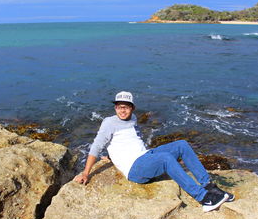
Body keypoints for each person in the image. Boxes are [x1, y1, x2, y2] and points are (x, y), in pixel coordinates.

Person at [74, 91, 234, 212]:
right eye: (119, 107)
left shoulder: (134, 118)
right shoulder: (109, 123)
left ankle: (208, 186)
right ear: (115, 107)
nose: (122, 110)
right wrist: (86, 173)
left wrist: (111, 155)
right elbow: (96, 146)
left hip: (146, 156)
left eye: (126, 107)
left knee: (182, 145)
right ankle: (203, 198)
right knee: (165, 158)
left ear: (132, 108)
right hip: (135, 169)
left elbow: (129, 140)